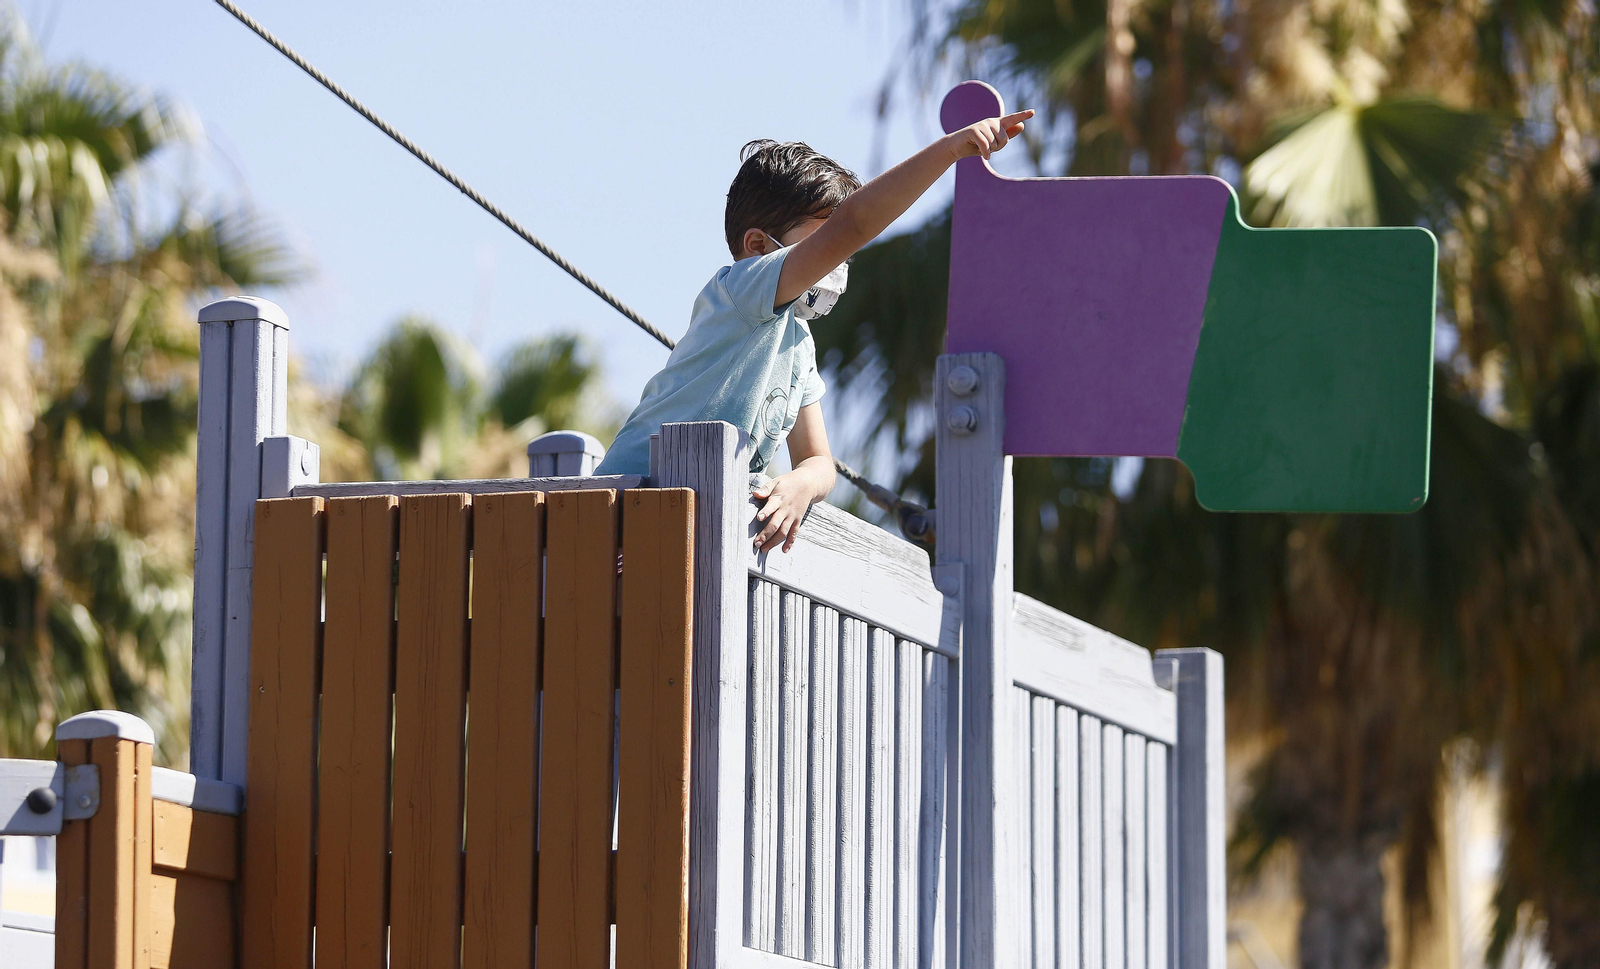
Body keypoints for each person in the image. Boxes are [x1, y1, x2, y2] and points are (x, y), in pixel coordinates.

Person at [595, 107, 1033, 552]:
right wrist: (951, 150)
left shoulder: (797, 342)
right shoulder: (741, 290)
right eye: (823, 246)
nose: (836, 263)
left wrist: (803, 482)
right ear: (759, 246)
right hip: (615, 510)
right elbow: (855, 225)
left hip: (678, 522)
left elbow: (819, 459)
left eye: (840, 256)